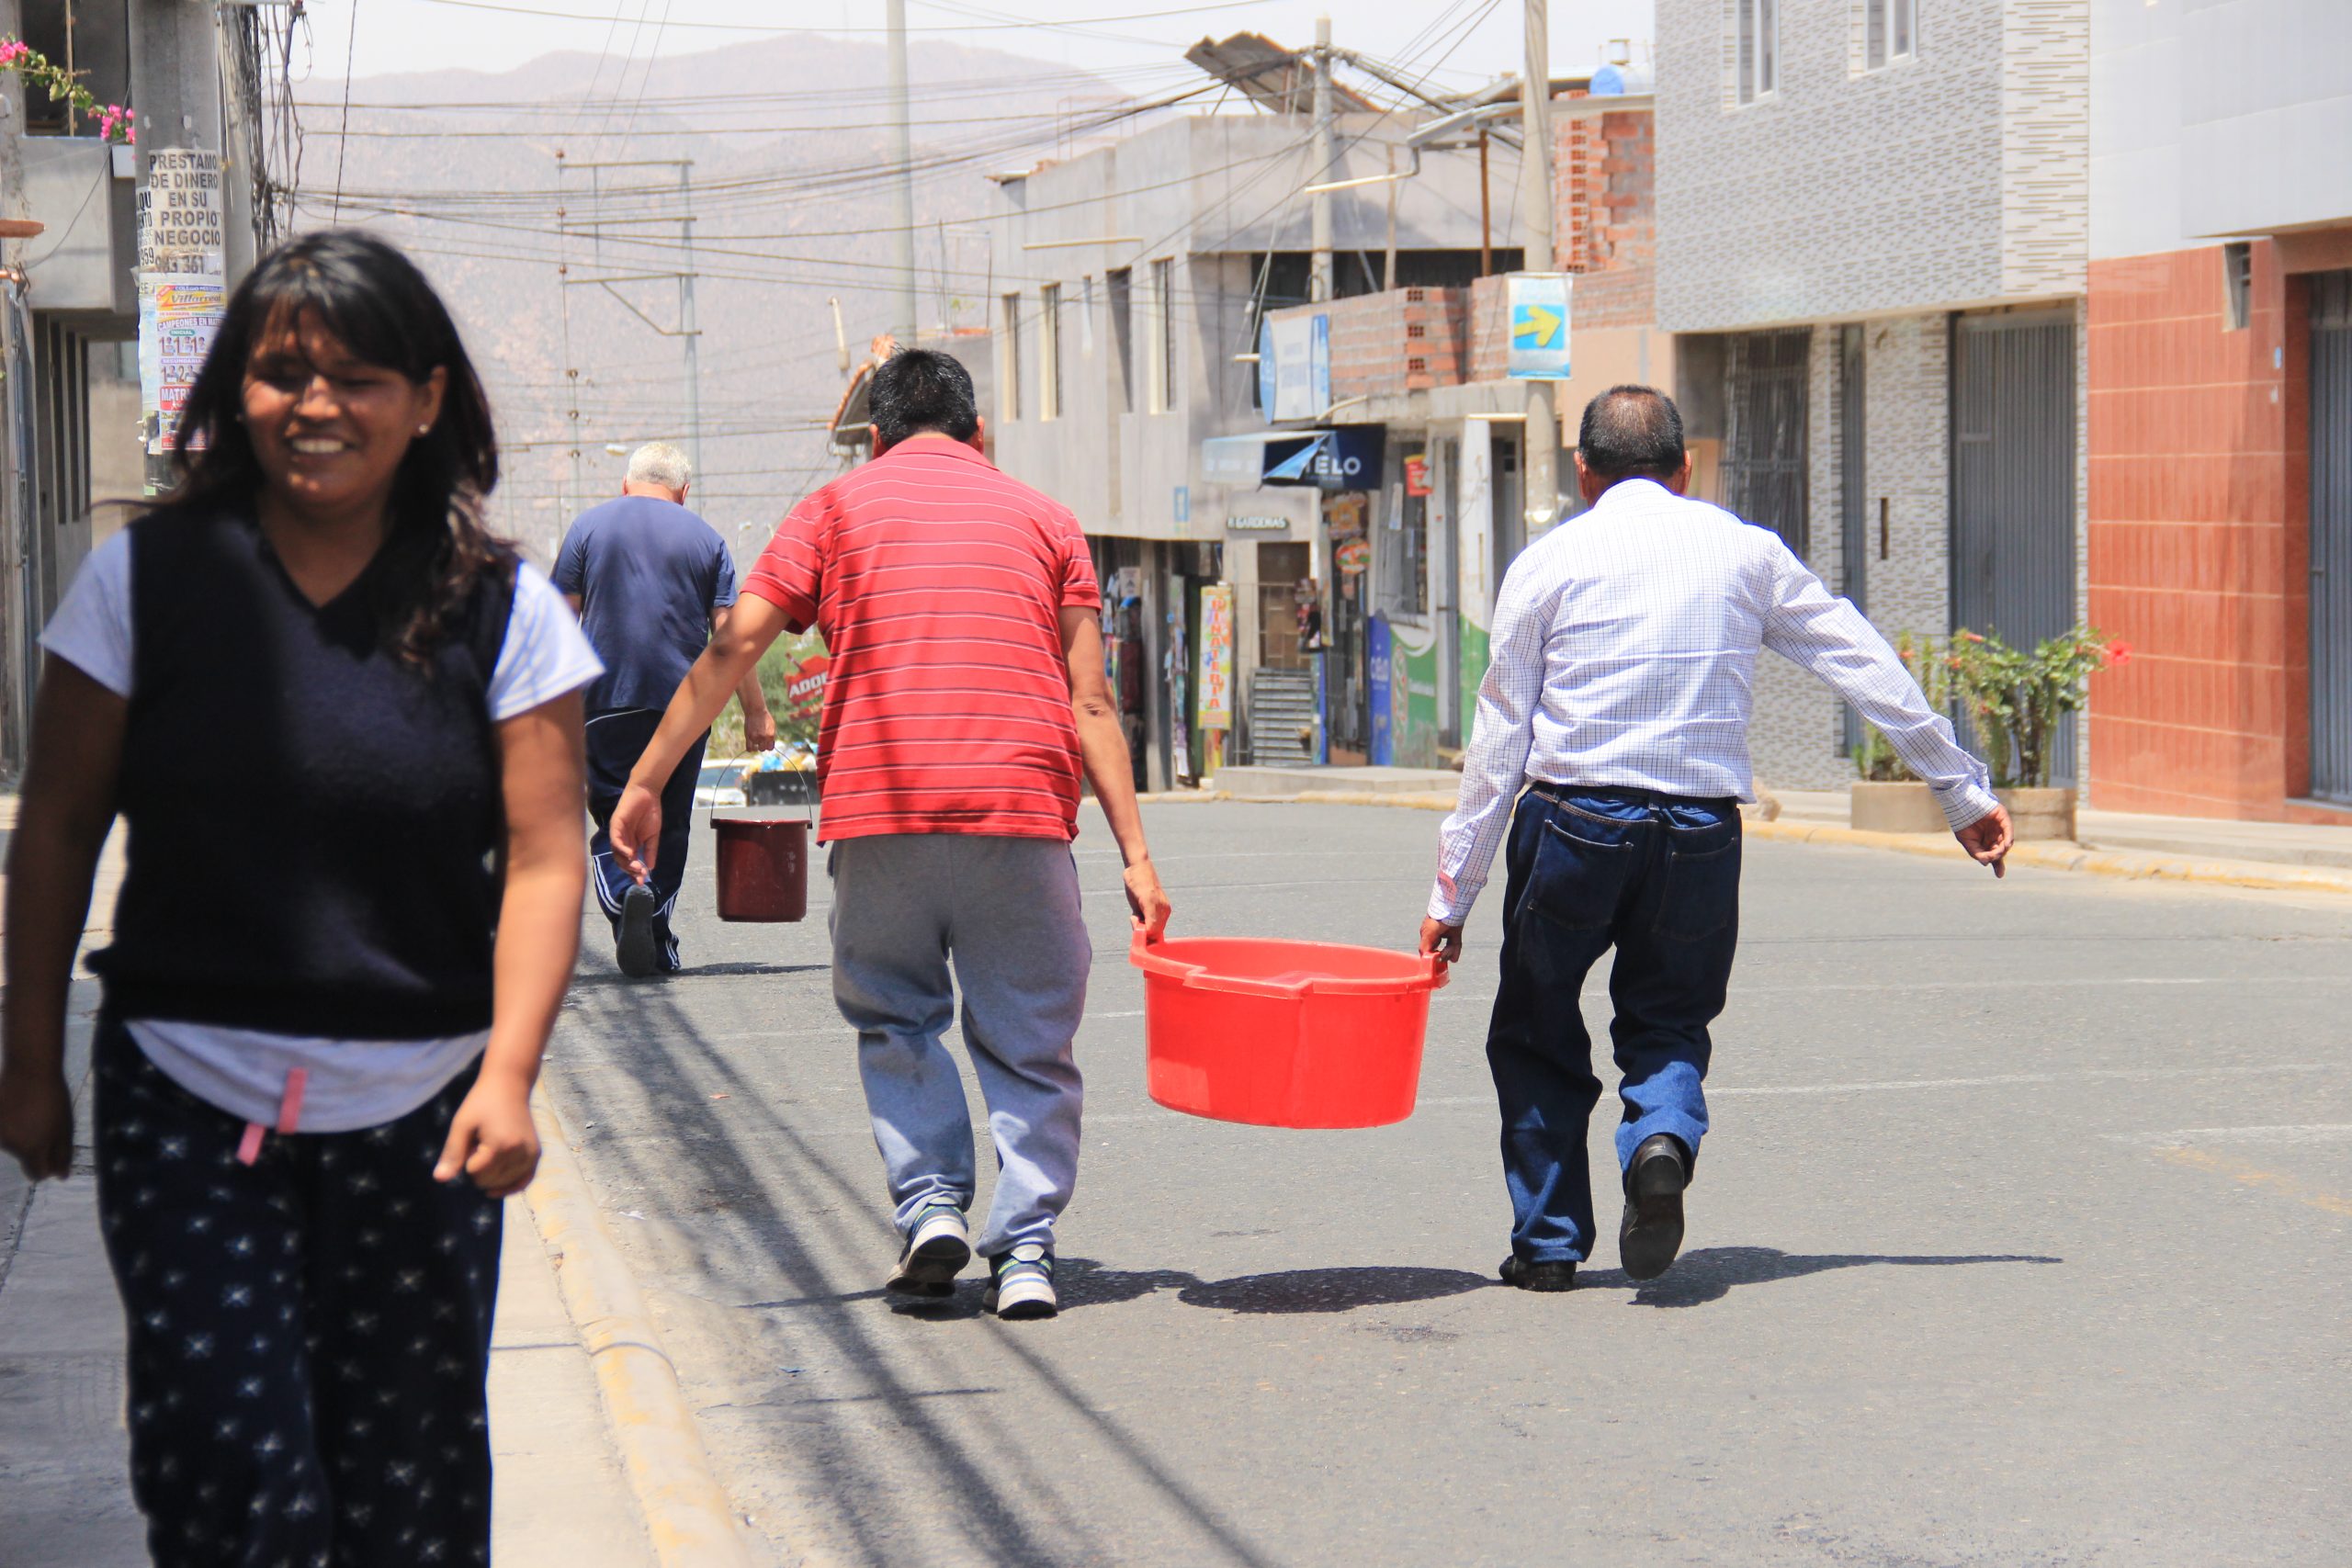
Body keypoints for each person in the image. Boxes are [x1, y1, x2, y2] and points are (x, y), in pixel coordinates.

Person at [0, 230, 603, 1564]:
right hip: (185, 1094)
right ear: (234, 393)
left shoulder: (505, 611)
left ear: (429, 397)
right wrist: (26, 1056)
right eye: (281, 375)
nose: (317, 406)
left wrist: (510, 1072)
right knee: (237, 1478)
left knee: (410, 1495)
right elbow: (55, 826)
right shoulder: (141, 583)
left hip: (425, 1112)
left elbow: (549, 855)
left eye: (358, 376)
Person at [606, 348, 1170, 1320]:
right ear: (977, 433)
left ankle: (931, 1209)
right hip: (1022, 813)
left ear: (872, 438)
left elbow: (735, 641)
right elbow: (1089, 701)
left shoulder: (833, 511)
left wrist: (647, 781)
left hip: (880, 810)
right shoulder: (1048, 521)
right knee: (1032, 1036)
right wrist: (1136, 854)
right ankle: (1026, 1250)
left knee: (896, 1016)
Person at [1419, 385, 2013, 1294]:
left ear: (1582, 472)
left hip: (1573, 820)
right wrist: (1957, 786)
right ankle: (1660, 1133)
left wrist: (1450, 894)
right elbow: (1858, 658)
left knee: (1536, 1024)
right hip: (1697, 829)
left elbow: (1501, 739)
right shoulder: (1746, 553)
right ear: (1684, 465)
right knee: (1667, 1016)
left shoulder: (1548, 563)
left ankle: (1545, 1246)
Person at [554, 441, 774, 976]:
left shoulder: (587, 527)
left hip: (606, 701)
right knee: (669, 820)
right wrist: (755, 713)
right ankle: (653, 927)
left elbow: (560, 621)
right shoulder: (708, 540)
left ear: (626, 484)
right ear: (684, 492)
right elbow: (731, 637)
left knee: (615, 811)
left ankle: (626, 895)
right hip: (685, 707)